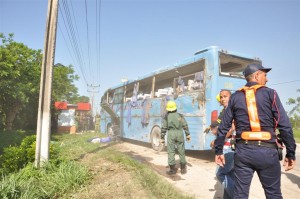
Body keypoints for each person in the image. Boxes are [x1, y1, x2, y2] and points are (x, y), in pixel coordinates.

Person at [214, 63, 296, 199]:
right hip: (268, 152)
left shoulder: (235, 97)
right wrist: (291, 153)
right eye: (265, 75)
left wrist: (218, 151)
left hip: (243, 152)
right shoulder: (271, 93)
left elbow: (223, 127)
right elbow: (284, 125)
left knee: (240, 195)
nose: (267, 79)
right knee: (273, 194)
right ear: (257, 75)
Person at [210, 90, 235, 199]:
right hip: (227, 146)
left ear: (231, 98)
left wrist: (217, 141)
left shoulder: (233, 111)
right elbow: (217, 127)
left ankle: (238, 196)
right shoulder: (225, 111)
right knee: (230, 175)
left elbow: (232, 129)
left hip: (230, 147)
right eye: (221, 97)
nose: (223, 99)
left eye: (225, 96)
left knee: (219, 174)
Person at [160, 100, 191, 175]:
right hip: (180, 133)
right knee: (181, 151)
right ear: (175, 108)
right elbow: (185, 125)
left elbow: (164, 128)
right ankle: (183, 169)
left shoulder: (166, 117)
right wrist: (187, 135)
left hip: (171, 134)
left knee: (171, 151)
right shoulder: (180, 115)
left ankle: (172, 170)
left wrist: (162, 137)